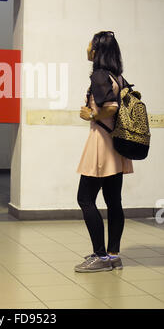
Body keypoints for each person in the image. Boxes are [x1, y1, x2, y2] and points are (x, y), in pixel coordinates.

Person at [74, 31, 133, 273]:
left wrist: (92, 114)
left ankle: (100, 256)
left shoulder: (99, 75)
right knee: (114, 202)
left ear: (97, 51)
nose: (87, 48)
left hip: (101, 145)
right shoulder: (117, 76)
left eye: (90, 44)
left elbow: (111, 106)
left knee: (85, 198)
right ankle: (113, 255)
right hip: (116, 146)